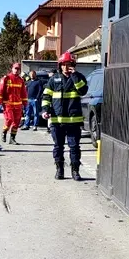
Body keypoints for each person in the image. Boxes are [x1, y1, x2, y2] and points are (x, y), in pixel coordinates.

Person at [41, 51, 89, 180]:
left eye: (69, 64)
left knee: (74, 147)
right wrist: (45, 110)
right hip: (57, 121)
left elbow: (83, 91)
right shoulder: (54, 79)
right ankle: (59, 170)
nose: (66, 67)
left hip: (74, 121)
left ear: (73, 65)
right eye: (64, 64)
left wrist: (74, 77)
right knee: (58, 147)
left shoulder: (79, 77)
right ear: (60, 65)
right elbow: (46, 96)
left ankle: (75, 171)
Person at [0, 62, 28, 144]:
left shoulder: (21, 80)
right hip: (8, 104)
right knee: (9, 119)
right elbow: (0, 90)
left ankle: (12, 138)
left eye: (18, 69)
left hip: (18, 105)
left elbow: (23, 92)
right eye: (15, 68)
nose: (17, 70)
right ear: (12, 69)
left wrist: (25, 103)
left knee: (16, 122)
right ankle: (4, 132)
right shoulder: (6, 78)